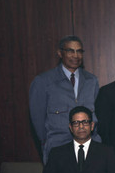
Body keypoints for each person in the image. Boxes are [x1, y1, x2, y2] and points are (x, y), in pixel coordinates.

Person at [30, 35, 100, 163]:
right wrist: (47, 143)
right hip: (58, 146)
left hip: (89, 147)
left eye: (79, 51)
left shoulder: (92, 81)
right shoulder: (44, 81)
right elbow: (38, 120)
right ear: (60, 53)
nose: (75, 55)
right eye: (70, 51)